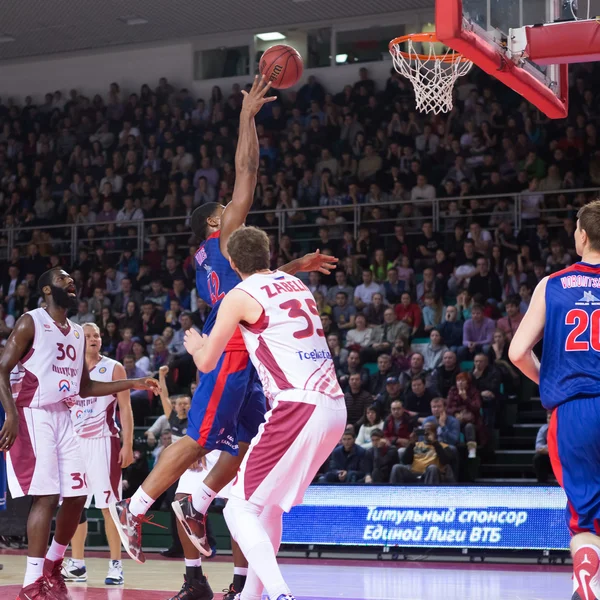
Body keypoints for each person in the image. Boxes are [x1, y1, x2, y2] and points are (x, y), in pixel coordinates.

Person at [109, 78, 336, 599]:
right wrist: (247, 117)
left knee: (244, 437)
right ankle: (138, 505)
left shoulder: (215, 262)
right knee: (203, 437)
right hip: (233, 344)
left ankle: (199, 506)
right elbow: (247, 172)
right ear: (217, 222)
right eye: (225, 209)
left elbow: (255, 280)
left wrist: (293, 266)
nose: (233, 209)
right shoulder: (223, 232)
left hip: (245, 341)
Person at [179, 226, 346, 600]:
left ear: (233, 263)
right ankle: (250, 596)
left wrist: (195, 345)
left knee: (237, 508)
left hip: (297, 405)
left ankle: (281, 594)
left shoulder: (238, 295)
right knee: (267, 506)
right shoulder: (296, 285)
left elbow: (208, 362)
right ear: (268, 254)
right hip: (334, 407)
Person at [0, 267, 158, 600]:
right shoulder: (31, 321)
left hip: (64, 415)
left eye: (73, 279)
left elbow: (84, 387)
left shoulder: (75, 332)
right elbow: (2, 367)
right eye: (63, 279)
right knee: (45, 495)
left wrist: (131, 383)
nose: (72, 282)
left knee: (76, 494)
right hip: (33, 412)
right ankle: (31, 584)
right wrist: (11, 414)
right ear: (46, 290)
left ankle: (53, 566)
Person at [508, 200, 600, 600]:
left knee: (585, 518)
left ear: (581, 236)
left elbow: (516, 352)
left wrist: (551, 383)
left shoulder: (554, 284)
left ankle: (587, 583)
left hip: (574, 408)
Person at [61, 323, 134, 587]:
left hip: (104, 442)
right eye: (88, 336)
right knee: (73, 504)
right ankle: (77, 564)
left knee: (109, 507)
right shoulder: (68, 370)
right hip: (73, 444)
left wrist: (127, 444)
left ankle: (116, 565)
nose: (93, 339)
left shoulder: (113, 367)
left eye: (97, 336)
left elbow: (125, 409)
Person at [389, 422, 454, 484]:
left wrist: (435, 443)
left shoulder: (443, 446)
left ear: (435, 432)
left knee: (432, 468)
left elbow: (446, 461)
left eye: (429, 431)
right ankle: (394, 493)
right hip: (414, 474)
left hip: (431, 474)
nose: (426, 432)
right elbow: (405, 461)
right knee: (396, 467)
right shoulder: (416, 444)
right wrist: (411, 444)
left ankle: (430, 494)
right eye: (424, 430)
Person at [533, 411, 553, 483]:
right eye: (549, 418)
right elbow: (538, 447)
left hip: (562, 458)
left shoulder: (565, 429)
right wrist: (554, 449)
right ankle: (542, 484)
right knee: (538, 458)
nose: (550, 420)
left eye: (553, 418)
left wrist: (548, 448)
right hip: (550, 458)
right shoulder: (544, 429)